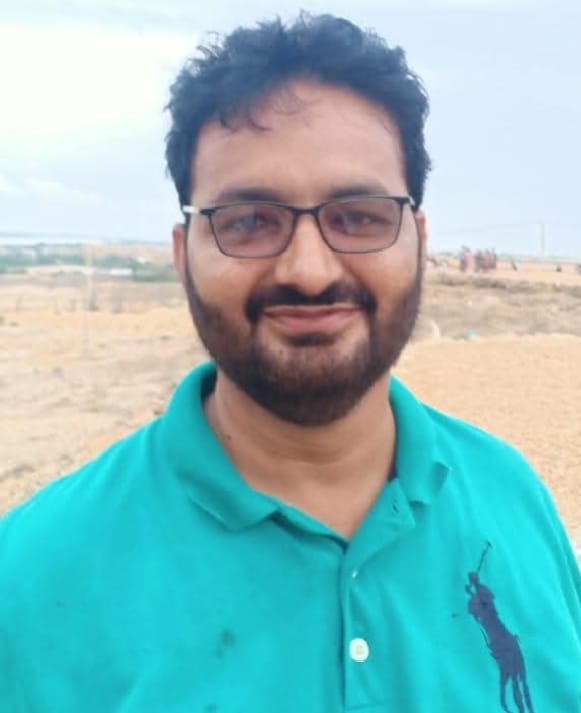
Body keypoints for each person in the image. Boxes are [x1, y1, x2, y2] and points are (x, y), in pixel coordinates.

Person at [1, 13, 580, 713]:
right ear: (184, 256)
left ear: (418, 242)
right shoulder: (27, 579)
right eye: (249, 222)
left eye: (358, 216)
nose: (309, 270)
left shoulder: (513, 500)